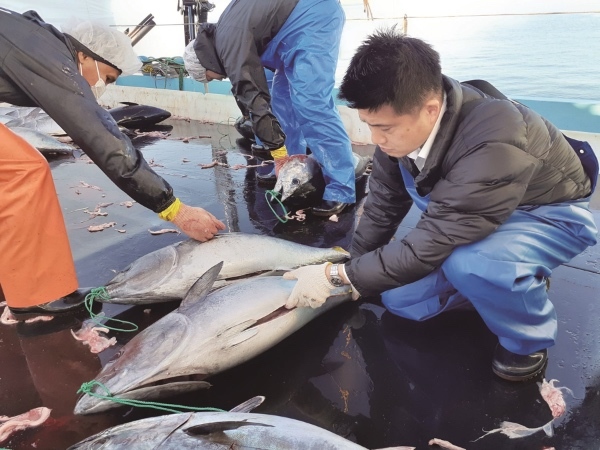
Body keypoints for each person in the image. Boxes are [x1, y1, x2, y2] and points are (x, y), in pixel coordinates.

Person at [282, 28, 598, 381]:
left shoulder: (497, 135)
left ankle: (526, 339)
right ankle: (508, 284)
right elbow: (384, 204)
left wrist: (336, 276)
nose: (375, 139)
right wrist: (354, 266)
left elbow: (433, 239)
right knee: (402, 302)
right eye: (369, 126)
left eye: (384, 128)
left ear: (430, 109)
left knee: (475, 263)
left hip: (544, 214)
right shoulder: (400, 133)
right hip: (472, 213)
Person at [0, 9, 226, 320]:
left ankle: (14, 269)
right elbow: (99, 136)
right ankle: (36, 291)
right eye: (107, 77)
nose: (104, 86)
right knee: (22, 171)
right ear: (85, 55)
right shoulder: (51, 56)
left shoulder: (38, 42)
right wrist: (175, 209)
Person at [182, 0, 356, 216]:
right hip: (287, 33)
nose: (218, 78)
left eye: (210, 78)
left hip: (311, 16)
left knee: (311, 103)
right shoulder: (224, 37)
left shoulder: (228, 44)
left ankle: (341, 189)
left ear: (206, 64)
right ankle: (292, 174)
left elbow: (252, 96)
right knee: (281, 102)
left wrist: (278, 152)